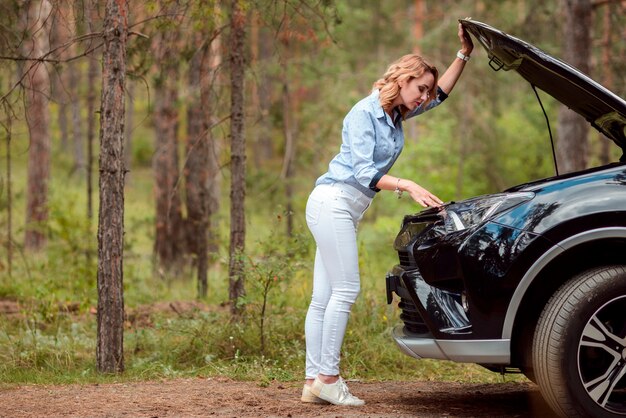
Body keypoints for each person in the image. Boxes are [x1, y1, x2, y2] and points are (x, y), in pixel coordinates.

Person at [301, 22, 474, 406]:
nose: (425, 96)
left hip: (341, 205)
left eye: (426, 90)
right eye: (420, 89)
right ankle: (328, 378)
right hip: (333, 201)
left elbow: (442, 95)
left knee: (323, 295)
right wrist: (408, 185)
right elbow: (364, 172)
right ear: (404, 78)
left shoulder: (394, 114)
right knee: (345, 290)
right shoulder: (364, 112)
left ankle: (313, 381)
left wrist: (463, 55)